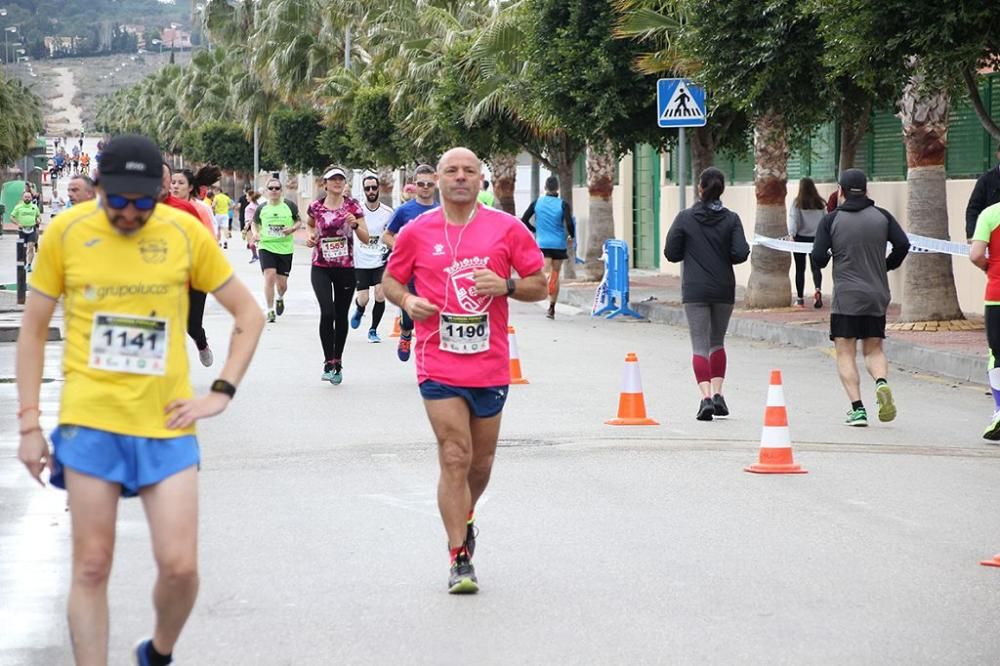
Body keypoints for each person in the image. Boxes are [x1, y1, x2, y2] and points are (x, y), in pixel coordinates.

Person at [15, 134, 264, 666]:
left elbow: (249, 314)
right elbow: (33, 331)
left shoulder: (183, 232)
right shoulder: (66, 231)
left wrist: (221, 391)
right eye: (117, 201)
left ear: (159, 192)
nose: (129, 213)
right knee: (91, 565)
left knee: (180, 569)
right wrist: (30, 423)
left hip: (166, 422)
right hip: (90, 420)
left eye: (142, 202)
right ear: (99, 187)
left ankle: (158, 651)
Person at [383, 147, 546, 594]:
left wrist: (507, 285)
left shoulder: (506, 228)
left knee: (481, 462)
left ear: (480, 180)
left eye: (468, 171)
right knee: (455, 454)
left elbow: (539, 284)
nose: (459, 177)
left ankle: (466, 516)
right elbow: (391, 281)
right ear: (436, 179)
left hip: (489, 364)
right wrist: (407, 301)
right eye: (451, 171)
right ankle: (459, 556)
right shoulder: (417, 231)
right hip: (437, 359)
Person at [811, 168, 910, 426]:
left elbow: (818, 258)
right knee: (874, 348)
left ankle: (858, 409)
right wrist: (885, 265)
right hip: (877, 294)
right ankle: (881, 382)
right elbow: (903, 245)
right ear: (867, 190)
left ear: (840, 191)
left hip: (847, 296)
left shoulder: (831, 220)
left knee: (845, 352)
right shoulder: (882, 217)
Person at [664, 167, 750, 421]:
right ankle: (719, 394)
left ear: (700, 189)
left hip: (695, 289)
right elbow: (740, 253)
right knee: (717, 342)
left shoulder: (685, 218)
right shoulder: (731, 219)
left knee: (699, 345)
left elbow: (671, 252)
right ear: (721, 190)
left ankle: (705, 398)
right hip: (723, 288)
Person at [306, 166, 369, 384]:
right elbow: (310, 225)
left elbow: (366, 237)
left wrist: (355, 225)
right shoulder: (316, 206)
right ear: (325, 184)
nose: (337, 182)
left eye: (341, 179)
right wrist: (310, 236)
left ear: (345, 183)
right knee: (328, 311)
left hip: (345, 267)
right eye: (333, 179)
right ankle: (327, 361)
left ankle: (338, 361)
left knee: (341, 315)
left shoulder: (353, 206)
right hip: (321, 266)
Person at [382, 165, 439, 361]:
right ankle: (405, 334)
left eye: (429, 184)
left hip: (435, 275)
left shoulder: (442, 210)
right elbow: (386, 236)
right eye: (421, 184)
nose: (425, 188)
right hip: (410, 274)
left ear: (435, 184)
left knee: (432, 317)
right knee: (409, 317)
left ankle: (428, 355)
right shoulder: (404, 211)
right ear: (414, 185)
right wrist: (401, 248)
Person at [162, 163, 216, 368]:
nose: (175, 186)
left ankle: (201, 344)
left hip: (195, 276)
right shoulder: (161, 207)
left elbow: (209, 241)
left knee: (192, 325)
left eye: (180, 183)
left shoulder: (200, 210)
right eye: (173, 182)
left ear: (190, 187)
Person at [521, 176, 574, 319]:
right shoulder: (563, 204)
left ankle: (544, 286)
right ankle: (551, 308)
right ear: (557, 188)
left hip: (542, 243)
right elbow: (569, 223)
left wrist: (534, 229)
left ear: (545, 188)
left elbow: (524, 219)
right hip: (558, 244)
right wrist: (571, 235)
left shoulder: (537, 203)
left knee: (545, 271)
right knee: (556, 274)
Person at [969, 200, 1000, 440]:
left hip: (997, 295)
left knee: (997, 354)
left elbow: (976, 254)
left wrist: (990, 268)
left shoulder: (990, 214)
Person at [251, 177, 302, 323]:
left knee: (282, 285)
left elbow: (299, 221)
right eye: (271, 188)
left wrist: (292, 229)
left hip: (285, 248)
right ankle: (269, 310)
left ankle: (280, 297)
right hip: (266, 246)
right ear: (266, 191)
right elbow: (254, 223)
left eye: (277, 188)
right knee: (269, 276)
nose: (274, 191)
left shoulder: (289, 205)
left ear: (281, 190)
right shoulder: (262, 208)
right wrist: (255, 233)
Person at [350, 173, 394, 342]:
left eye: (373, 187)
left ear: (378, 189)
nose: (371, 191)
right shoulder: (357, 211)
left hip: (380, 259)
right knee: (364, 298)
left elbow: (392, 233)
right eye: (367, 188)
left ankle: (373, 330)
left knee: (380, 294)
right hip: (361, 260)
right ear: (363, 190)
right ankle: (359, 310)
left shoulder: (387, 212)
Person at [788, 177, 826, 308]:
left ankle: (800, 299)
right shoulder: (821, 203)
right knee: (816, 268)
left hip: (800, 239)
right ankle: (817, 290)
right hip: (816, 239)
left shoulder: (797, 203)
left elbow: (794, 220)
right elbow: (825, 220)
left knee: (800, 269)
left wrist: (791, 235)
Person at [966, 145, 1000, 241]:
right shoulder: (986, 180)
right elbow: (973, 209)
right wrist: (972, 234)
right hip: (991, 236)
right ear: (998, 154)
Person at [12, 188, 41, 271]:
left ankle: (29, 265)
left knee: (30, 247)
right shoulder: (18, 207)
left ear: (31, 198)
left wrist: (38, 219)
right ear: (23, 198)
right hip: (22, 230)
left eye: (29, 197)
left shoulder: (34, 207)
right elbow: (12, 217)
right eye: (25, 197)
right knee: (23, 248)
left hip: (32, 229)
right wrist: (18, 224)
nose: (27, 198)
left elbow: (38, 216)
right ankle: (23, 262)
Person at [242, 190, 260, 264]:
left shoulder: (250, 207)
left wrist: (247, 225)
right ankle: (256, 255)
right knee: (256, 240)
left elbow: (250, 218)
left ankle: (255, 256)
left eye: (247, 196)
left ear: (250, 197)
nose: (246, 198)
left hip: (250, 225)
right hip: (257, 224)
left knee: (251, 241)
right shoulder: (257, 205)